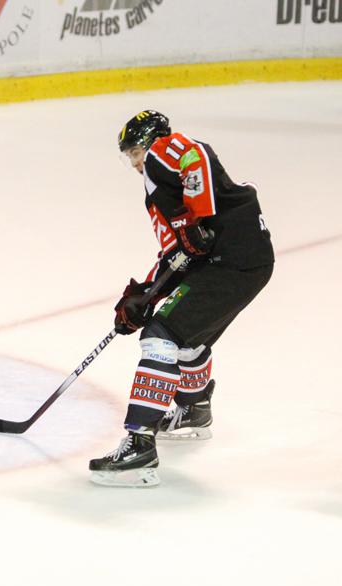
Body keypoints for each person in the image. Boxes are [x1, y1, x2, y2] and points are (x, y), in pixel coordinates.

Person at [89, 110, 274, 487]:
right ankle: (193, 410)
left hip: (232, 260)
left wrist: (199, 219)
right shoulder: (162, 187)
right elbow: (180, 251)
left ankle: (140, 443)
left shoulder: (163, 152)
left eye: (134, 151)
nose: (135, 162)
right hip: (245, 260)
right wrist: (144, 294)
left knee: (161, 336)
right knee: (186, 336)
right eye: (130, 157)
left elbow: (195, 155)